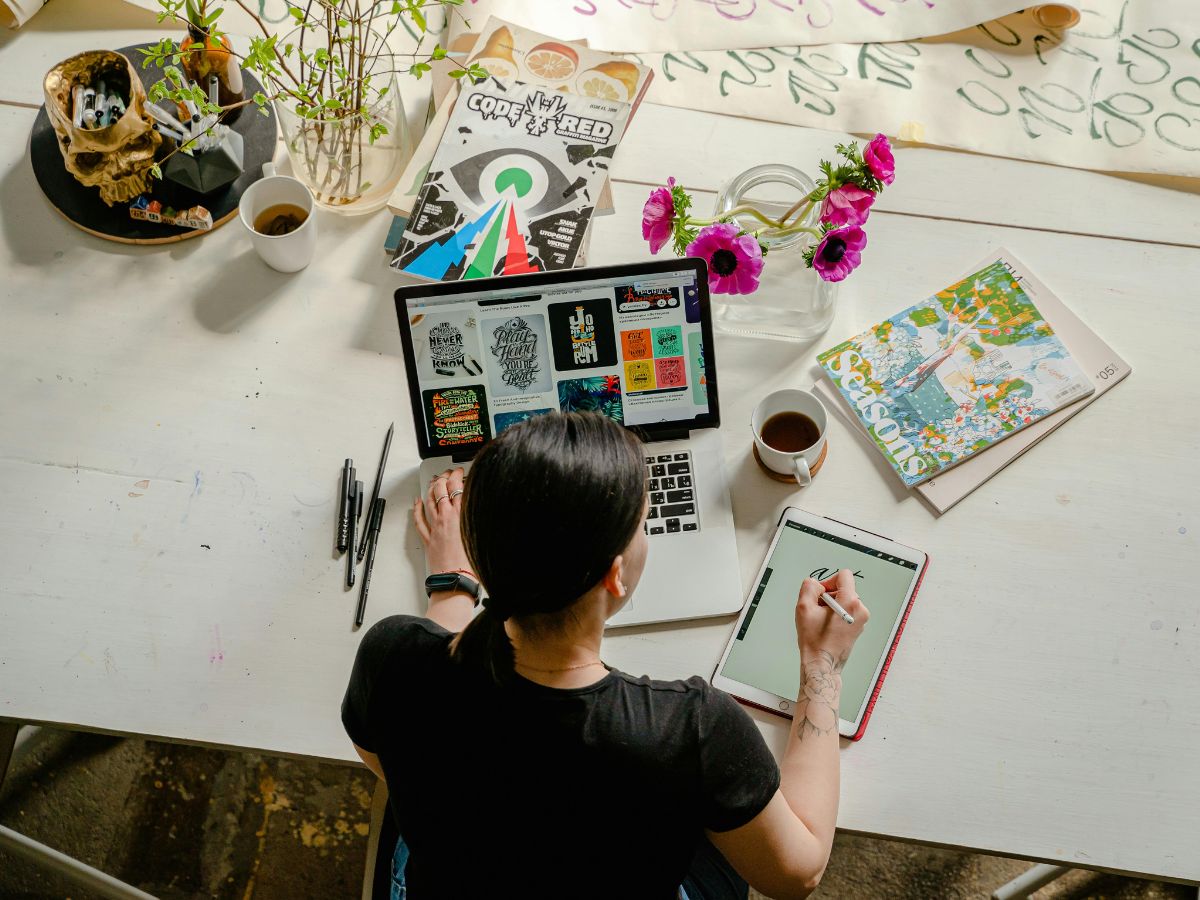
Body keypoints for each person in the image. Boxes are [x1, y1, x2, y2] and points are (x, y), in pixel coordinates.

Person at [342, 412, 869, 900]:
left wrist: (452, 585)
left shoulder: (392, 656)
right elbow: (796, 874)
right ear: (615, 576)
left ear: (480, 551)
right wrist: (821, 667)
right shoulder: (689, 730)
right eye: (644, 523)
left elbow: (387, 761)